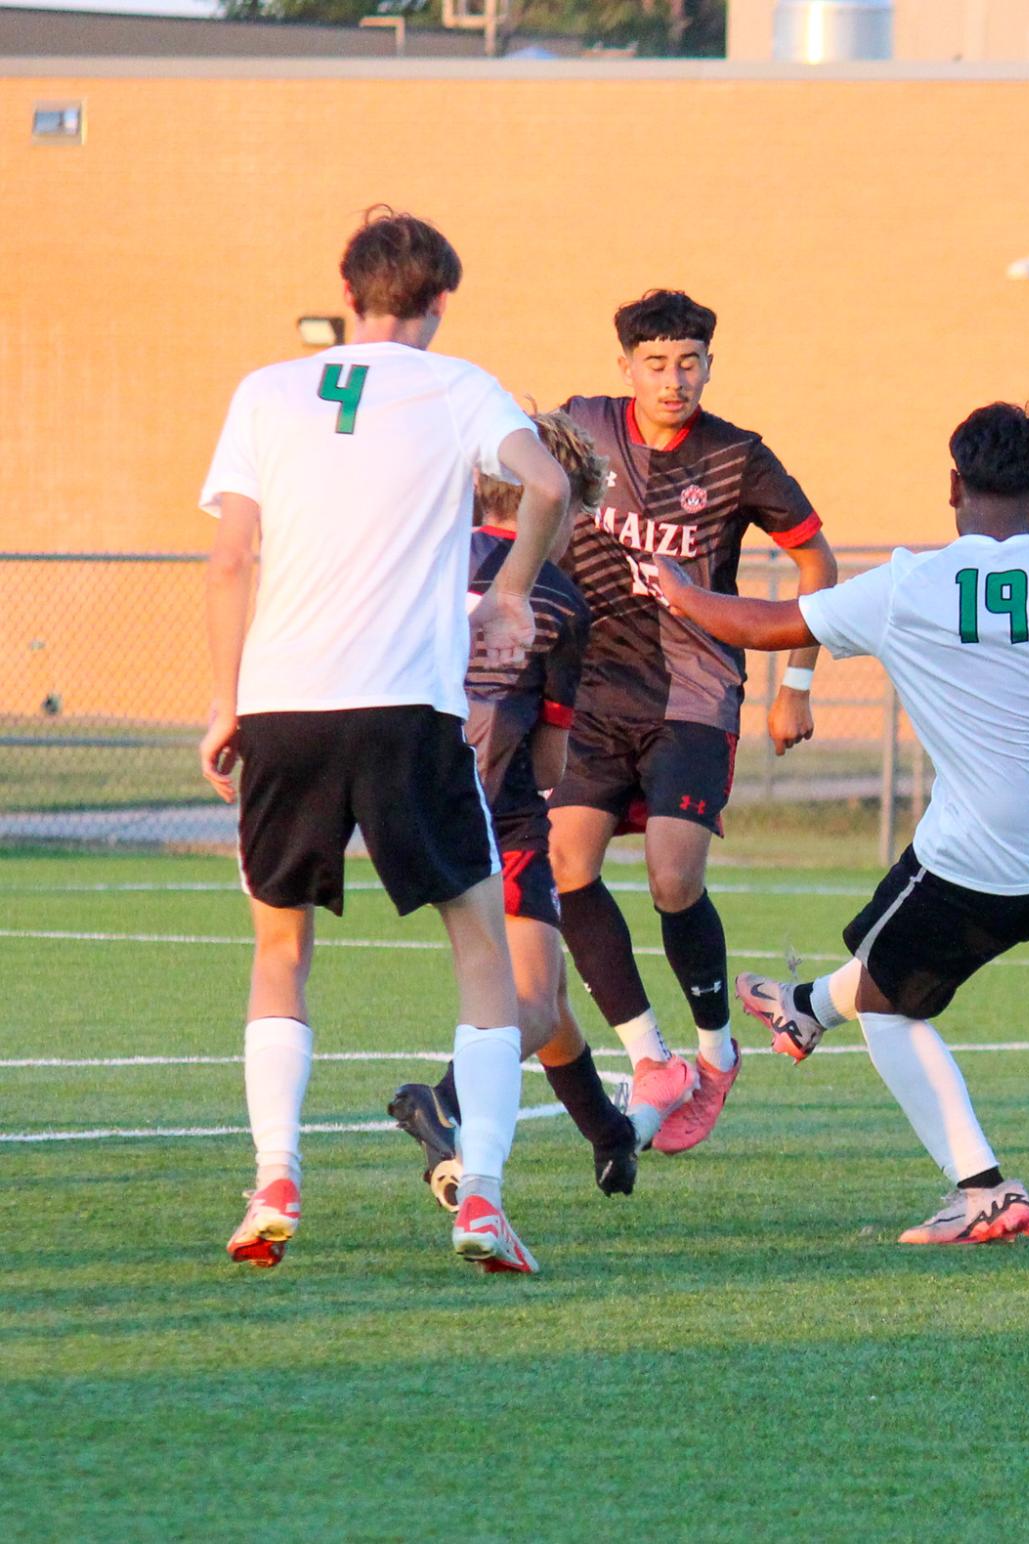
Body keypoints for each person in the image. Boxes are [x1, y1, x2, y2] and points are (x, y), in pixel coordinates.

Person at [655, 403, 1029, 1244]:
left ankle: (982, 1190)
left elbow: (758, 625)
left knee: (890, 1003)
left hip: (984, 858)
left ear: (952, 487)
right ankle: (808, 1006)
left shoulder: (906, 586)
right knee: (889, 928)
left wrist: (675, 588)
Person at [200, 208, 569, 1274]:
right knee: (479, 948)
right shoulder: (458, 386)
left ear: (348, 295)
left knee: (280, 948)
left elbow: (229, 561)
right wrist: (504, 596)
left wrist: (226, 705)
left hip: (283, 705)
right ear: (439, 303)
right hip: (408, 708)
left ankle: (276, 1171)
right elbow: (544, 483)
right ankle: (484, 1193)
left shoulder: (267, 391)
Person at [548, 290, 839, 1157]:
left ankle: (716, 1051)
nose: (673, 379)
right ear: (625, 368)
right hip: (592, 691)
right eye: (656, 363)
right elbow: (510, 481)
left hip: (694, 693)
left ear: (710, 365)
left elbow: (815, 558)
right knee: (566, 866)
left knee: (673, 881)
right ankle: (650, 1056)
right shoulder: (580, 426)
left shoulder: (739, 457)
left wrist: (796, 682)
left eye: (689, 362)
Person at [388, 410, 658, 1208]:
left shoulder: (419, 563)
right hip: (495, 815)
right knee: (529, 1003)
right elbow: (549, 757)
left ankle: (608, 1130)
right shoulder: (560, 598)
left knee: (549, 987)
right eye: (577, 514)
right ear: (558, 508)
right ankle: (447, 1102)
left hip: (397, 790)